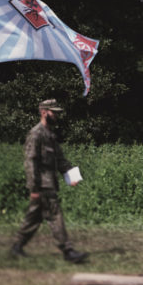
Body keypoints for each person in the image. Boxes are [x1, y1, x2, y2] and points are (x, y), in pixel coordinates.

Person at [10, 99, 88, 263]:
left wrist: (70, 174)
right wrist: (34, 188)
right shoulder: (36, 134)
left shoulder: (50, 134)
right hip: (42, 185)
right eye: (54, 112)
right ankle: (68, 251)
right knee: (54, 215)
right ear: (44, 112)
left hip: (49, 183)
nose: (57, 115)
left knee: (34, 217)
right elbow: (30, 162)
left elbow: (59, 159)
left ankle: (17, 246)